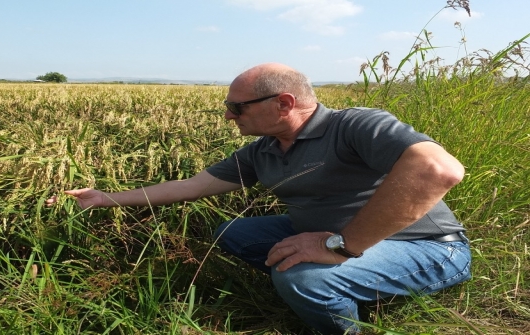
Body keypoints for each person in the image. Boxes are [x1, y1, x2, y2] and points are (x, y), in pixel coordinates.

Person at [45, 63, 472, 335]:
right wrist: (106, 198)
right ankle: (349, 288)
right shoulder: (264, 150)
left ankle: (336, 308)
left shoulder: (354, 125)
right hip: (337, 237)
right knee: (231, 233)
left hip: (427, 248)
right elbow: (192, 187)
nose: (228, 115)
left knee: (301, 278)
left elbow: (439, 169)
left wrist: (341, 247)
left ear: (283, 102)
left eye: (237, 107)